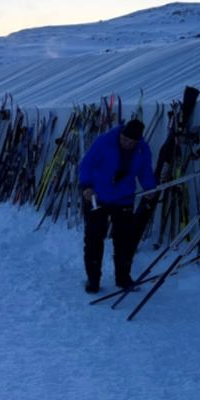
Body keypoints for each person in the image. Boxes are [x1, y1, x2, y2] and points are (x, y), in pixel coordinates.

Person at [78, 118, 156, 293]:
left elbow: (145, 171)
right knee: (94, 239)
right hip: (98, 196)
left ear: (138, 141)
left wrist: (150, 188)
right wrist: (86, 186)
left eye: (131, 141)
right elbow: (87, 164)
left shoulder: (143, 150)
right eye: (124, 139)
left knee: (124, 241)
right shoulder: (104, 141)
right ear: (121, 134)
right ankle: (93, 280)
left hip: (124, 198)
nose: (126, 143)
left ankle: (123, 278)